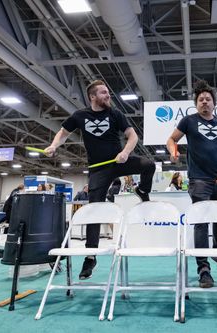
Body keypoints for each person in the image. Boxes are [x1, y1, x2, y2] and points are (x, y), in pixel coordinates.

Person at [45, 79, 156, 280]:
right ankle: (90, 256)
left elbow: (133, 136)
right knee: (93, 211)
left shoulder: (115, 114)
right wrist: (54, 146)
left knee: (149, 165)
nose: (108, 96)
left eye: (108, 92)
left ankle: (142, 190)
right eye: (104, 93)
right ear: (93, 97)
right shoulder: (80, 116)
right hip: (99, 169)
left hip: (119, 161)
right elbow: (63, 133)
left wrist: (125, 152)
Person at [166, 80, 217, 289]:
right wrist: (173, 151)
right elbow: (171, 139)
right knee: (201, 221)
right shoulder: (189, 121)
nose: (204, 102)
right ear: (196, 103)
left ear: (214, 103)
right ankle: (203, 270)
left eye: (208, 99)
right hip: (198, 179)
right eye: (200, 100)